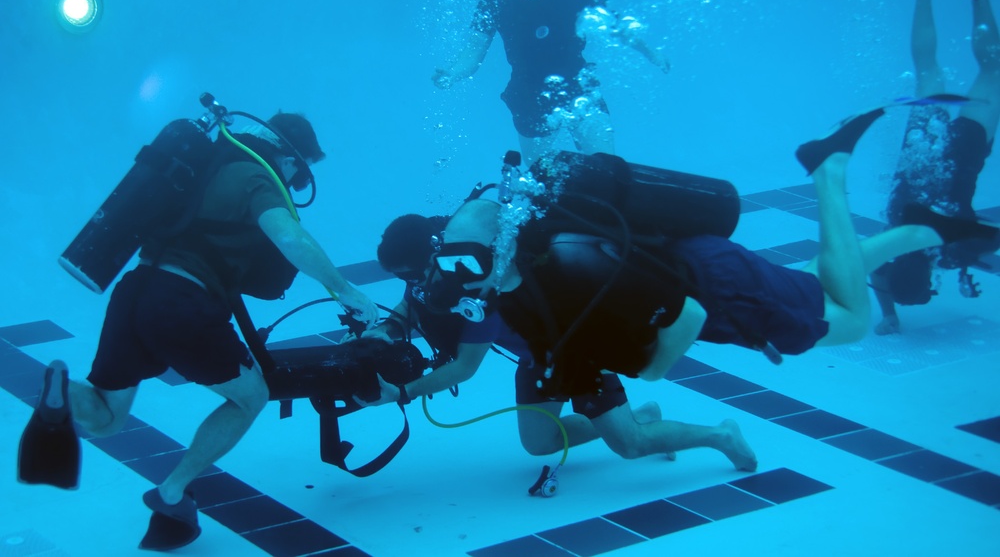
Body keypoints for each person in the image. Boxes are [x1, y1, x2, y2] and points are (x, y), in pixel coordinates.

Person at [425, 109, 999, 396]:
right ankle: (926, 232)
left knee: (849, 318)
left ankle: (830, 167)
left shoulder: (565, 261)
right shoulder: (529, 253)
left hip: (716, 288)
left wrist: (651, 371)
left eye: (470, 279)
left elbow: (687, 317)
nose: (471, 294)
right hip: (707, 269)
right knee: (815, 285)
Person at [20, 114, 378, 551]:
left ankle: (59, 390)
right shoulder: (256, 176)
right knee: (252, 396)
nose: (295, 181)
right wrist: (345, 290)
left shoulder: (202, 165)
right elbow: (290, 240)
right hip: (182, 304)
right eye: (299, 171)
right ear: (287, 156)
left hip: (135, 291)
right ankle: (172, 492)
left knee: (107, 418)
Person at [356, 213, 757, 474]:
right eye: (401, 278)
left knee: (631, 447)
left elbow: (464, 367)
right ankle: (642, 414)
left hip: (576, 353)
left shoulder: (478, 287)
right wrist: (386, 330)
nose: (410, 284)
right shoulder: (438, 275)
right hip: (538, 357)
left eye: (412, 273)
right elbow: (412, 302)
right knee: (539, 443)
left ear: (431, 258)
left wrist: (402, 393)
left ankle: (719, 434)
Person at [432, 0, 671, 164]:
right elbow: (473, 52)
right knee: (540, 178)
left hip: (579, 86)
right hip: (527, 93)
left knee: (607, 166)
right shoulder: (496, 0)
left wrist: (652, 53)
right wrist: (452, 74)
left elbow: (616, 28)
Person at [872, 0, 999, 334]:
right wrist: (888, 316)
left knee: (993, 69)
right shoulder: (885, 249)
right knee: (927, 69)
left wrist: (967, 267)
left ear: (928, 277)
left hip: (962, 156)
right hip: (923, 149)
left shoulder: (952, 250)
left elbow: (992, 245)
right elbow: (880, 282)